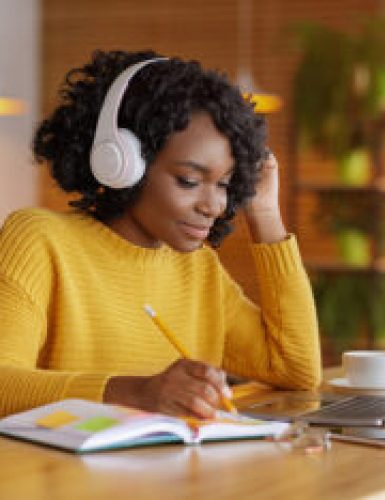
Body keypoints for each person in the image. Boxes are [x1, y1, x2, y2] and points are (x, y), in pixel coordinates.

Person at [0, 50, 321, 419]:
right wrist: (133, 392)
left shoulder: (199, 269)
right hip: (59, 474)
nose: (214, 205)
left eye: (226, 185)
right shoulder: (40, 241)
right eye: (189, 180)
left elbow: (297, 370)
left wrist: (264, 212)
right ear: (122, 162)